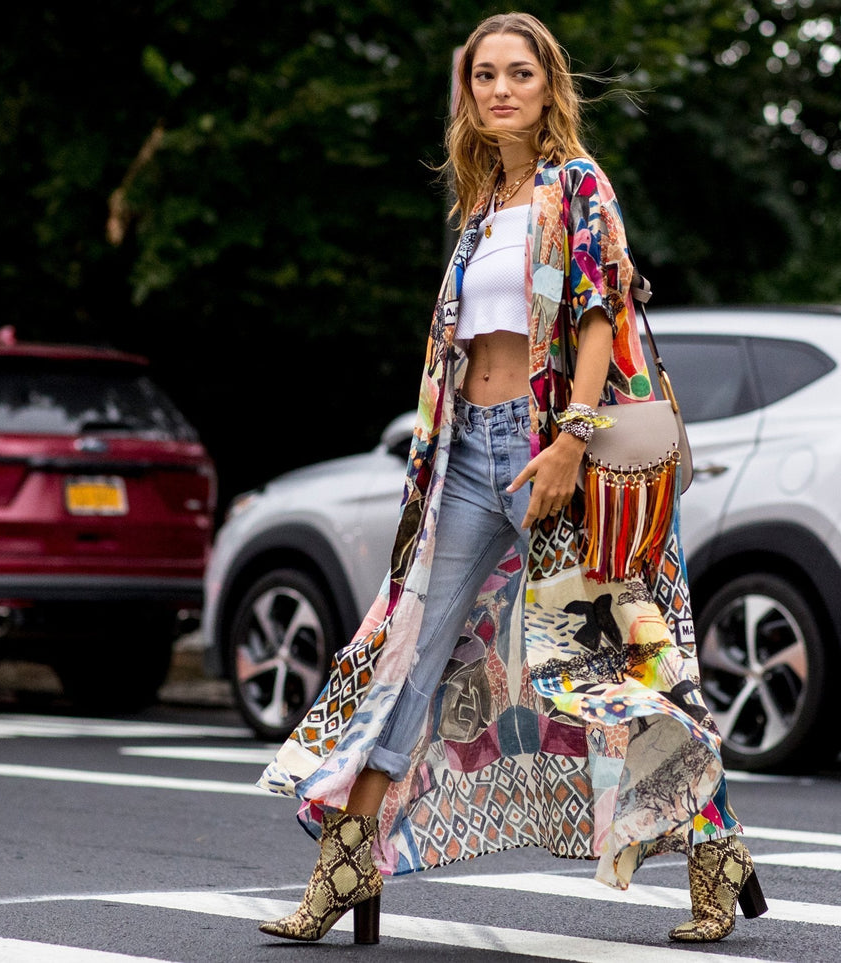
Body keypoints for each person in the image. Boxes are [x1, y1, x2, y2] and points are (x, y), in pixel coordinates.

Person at [255, 10, 765, 947]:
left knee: (623, 664)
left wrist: (572, 439)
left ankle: (713, 853)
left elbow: (599, 310)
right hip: (465, 456)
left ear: (548, 86)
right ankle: (342, 869)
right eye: (482, 74)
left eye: (517, 74)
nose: (498, 88)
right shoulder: (480, 202)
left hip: (545, 457)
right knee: (408, 656)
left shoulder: (576, 184)